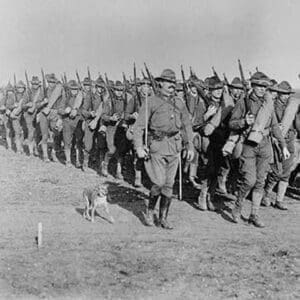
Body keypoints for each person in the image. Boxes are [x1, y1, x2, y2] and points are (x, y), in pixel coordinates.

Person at [133, 69, 194, 229]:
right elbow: (139, 127)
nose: (171, 86)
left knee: (168, 185)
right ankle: (149, 211)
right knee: (158, 182)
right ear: (160, 83)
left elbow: (187, 126)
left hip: (174, 146)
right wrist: (139, 146)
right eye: (168, 82)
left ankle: (163, 217)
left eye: (173, 83)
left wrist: (190, 146)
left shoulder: (179, 102)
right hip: (157, 146)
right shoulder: (150, 101)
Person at [229, 72, 290, 227]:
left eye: (265, 87)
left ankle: (254, 214)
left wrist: (283, 145)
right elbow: (232, 123)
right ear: (253, 86)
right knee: (249, 180)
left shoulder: (269, 105)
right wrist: (244, 121)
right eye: (259, 86)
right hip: (248, 146)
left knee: (260, 182)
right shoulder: (243, 102)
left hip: (265, 146)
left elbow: (275, 126)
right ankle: (238, 205)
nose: (263, 89)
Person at [262, 81, 300, 209]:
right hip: (276, 139)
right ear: (278, 93)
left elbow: (296, 123)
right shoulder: (271, 106)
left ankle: (279, 199)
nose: (285, 96)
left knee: (287, 170)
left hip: (290, 139)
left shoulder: (292, 106)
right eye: (283, 93)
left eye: (287, 94)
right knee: (276, 170)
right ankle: (266, 194)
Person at [101, 80, 133, 179]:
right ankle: (105, 165)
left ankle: (118, 171)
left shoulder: (127, 101)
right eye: (117, 90)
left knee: (121, 151)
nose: (119, 92)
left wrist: (126, 117)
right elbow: (103, 116)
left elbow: (129, 113)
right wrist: (111, 118)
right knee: (111, 150)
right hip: (111, 128)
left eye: (121, 90)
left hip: (122, 128)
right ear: (114, 90)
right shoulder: (109, 102)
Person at [36, 73, 65, 162]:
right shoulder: (43, 91)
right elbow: (37, 104)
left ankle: (53, 153)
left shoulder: (60, 92)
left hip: (55, 113)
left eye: (53, 82)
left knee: (56, 135)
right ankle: (45, 155)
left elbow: (62, 104)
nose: (51, 84)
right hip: (44, 114)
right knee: (44, 135)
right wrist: (43, 103)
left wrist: (59, 116)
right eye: (49, 82)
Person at [58, 80, 84, 167]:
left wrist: (77, 111)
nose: (74, 91)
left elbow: (84, 109)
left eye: (76, 89)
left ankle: (78, 160)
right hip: (67, 122)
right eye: (72, 89)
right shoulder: (65, 98)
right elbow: (60, 109)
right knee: (67, 141)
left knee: (78, 141)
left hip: (77, 122)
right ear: (69, 90)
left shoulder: (81, 98)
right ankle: (68, 160)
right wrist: (65, 111)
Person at [22, 76, 44, 156]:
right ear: (31, 84)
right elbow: (23, 106)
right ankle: (31, 150)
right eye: (33, 83)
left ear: (39, 84)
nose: (35, 85)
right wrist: (28, 104)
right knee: (31, 132)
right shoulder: (28, 92)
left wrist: (41, 104)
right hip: (29, 114)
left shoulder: (42, 92)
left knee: (38, 132)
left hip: (39, 113)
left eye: (36, 83)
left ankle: (37, 148)